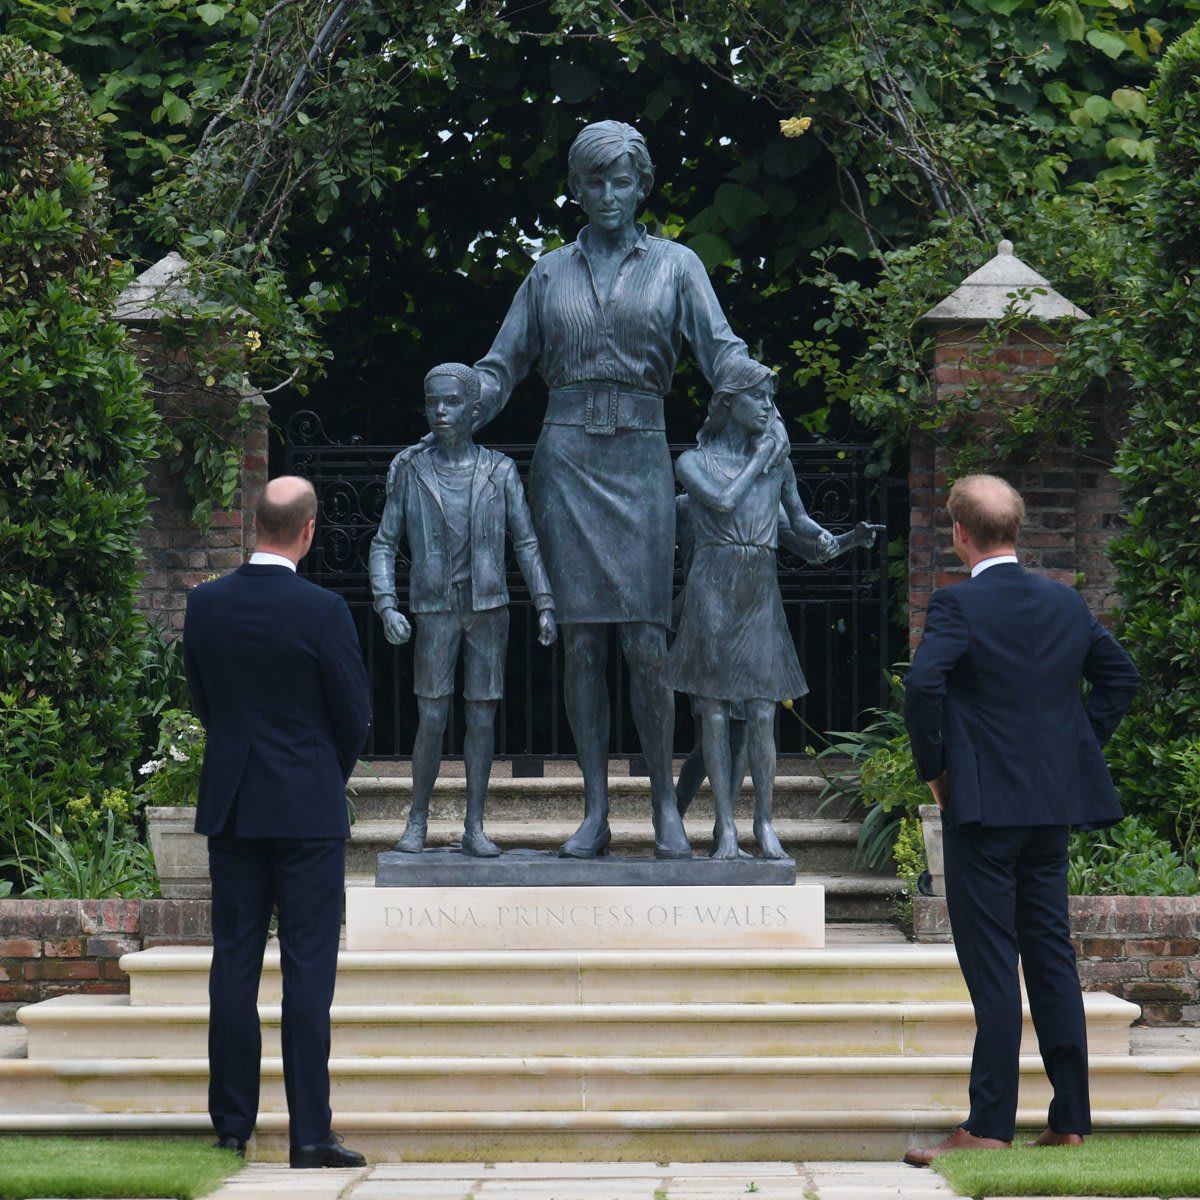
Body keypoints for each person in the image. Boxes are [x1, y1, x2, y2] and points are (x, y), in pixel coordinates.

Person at [388, 120, 784, 860]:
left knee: (643, 639)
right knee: (579, 645)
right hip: (566, 463)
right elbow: (501, 367)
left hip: (639, 460)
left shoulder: (677, 267)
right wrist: (458, 403)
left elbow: (721, 350)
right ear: (576, 187)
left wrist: (763, 402)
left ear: (643, 186)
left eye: (621, 180)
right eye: (594, 181)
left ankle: (666, 804)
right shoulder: (547, 274)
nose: (608, 194)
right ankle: (596, 809)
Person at [901, 474, 1141, 1167]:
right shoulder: (1064, 602)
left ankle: (987, 1125)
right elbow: (1119, 678)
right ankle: (1070, 1118)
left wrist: (937, 769)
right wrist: (1073, 748)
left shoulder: (957, 605)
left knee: (993, 967)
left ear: (960, 534)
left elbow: (923, 685)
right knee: (1050, 956)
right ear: (1018, 529)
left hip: (982, 811)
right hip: (1049, 811)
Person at [183, 476, 371, 1168]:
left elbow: (203, 699)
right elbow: (353, 714)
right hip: (306, 811)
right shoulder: (324, 611)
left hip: (234, 805)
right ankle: (310, 1134)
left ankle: (231, 1125)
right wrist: (321, 771)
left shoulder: (205, 605)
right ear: (308, 530)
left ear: (253, 524)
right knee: (307, 972)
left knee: (233, 963)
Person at [368, 363, 557, 856]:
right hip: (434, 609)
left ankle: (475, 825)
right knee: (431, 717)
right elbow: (384, 544)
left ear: (475, 410)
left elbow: (527, 541)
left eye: (451, 402)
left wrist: (544, 603)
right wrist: (386, 604)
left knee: (482, 718)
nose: (440, 411)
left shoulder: (499, 470)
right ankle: (418, 819)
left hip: (488, 608)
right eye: (433, 402)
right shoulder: (411, 470)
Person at [664, 361, 841, 859]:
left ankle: (764, 823)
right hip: (713, 585)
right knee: (715, 712)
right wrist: (762, 455)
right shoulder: (693, 462)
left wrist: (833, 539)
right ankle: (724, 828)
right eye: (758, 398)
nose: (767, 407)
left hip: (759, 586)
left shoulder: (778, 464)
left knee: (763, 708)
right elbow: (721, 502)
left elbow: (799, 521)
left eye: (770, 399)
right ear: (728, 404)